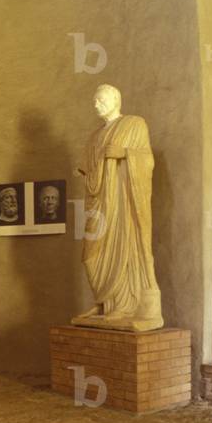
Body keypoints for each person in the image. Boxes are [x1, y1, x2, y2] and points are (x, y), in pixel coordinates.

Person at [74, 84, 163, 331]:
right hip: (100, 203)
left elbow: (147, 161)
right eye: (94, 100)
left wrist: (124, 153)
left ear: (116, 100)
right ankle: (104, 302)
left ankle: (123, 306)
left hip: (124, 205)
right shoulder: (94, 136)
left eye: (101, 99)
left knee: (126, 246)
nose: (96, 104)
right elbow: (86, 171)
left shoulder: (134, 124)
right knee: (90, 256)